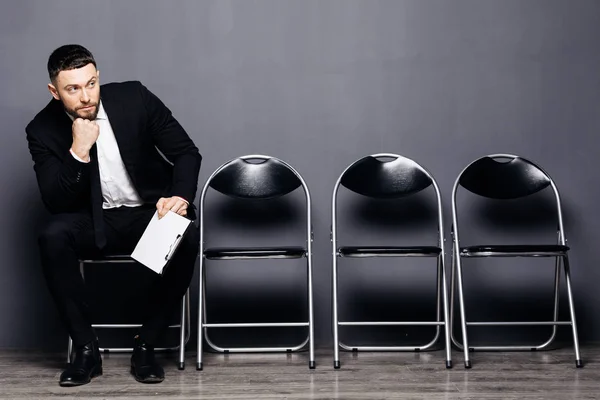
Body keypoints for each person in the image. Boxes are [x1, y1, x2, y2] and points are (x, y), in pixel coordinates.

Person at [25, 44, 201, 386]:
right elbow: (55, 202)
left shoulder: (134, 98)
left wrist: (178, 196)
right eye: (72, 89)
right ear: (54, 91)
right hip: (93, 221)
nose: (86, 96)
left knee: (186, 234)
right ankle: (86, 350)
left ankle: (147, 344)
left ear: (98, 77)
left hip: (147, 214)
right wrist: (78, 150)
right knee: (52, 235)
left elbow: (186, 152)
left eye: (91, 83)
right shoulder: (42, 129)